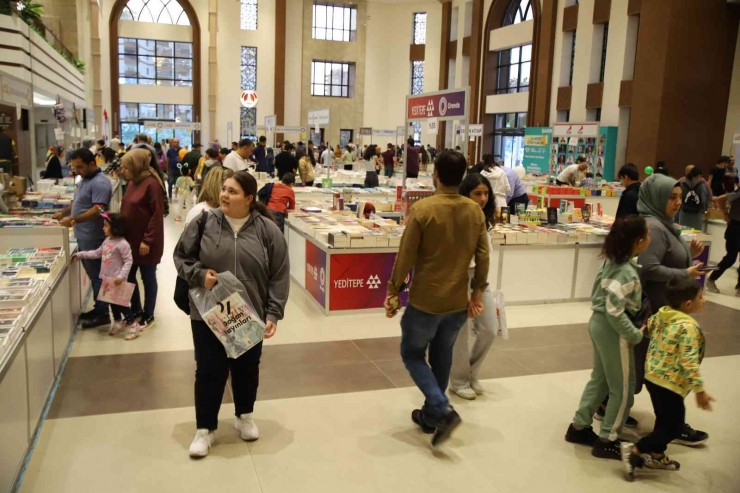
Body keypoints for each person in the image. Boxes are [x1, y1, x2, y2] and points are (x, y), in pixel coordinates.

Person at [174, 171, 290, 458]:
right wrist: (200, 275)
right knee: (209, 369)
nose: (224, 195)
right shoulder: (203, 222)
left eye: (233, 192)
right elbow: (182, 257)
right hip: (209, 313)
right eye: (224, 189)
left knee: (246, 368)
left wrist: (273, 312)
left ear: (249, 199)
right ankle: (205, 430)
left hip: (247, 314)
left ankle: (244, 416)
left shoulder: (267, 229)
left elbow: (279, 274)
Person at [385, 151, 489, 446]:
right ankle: (431, 417)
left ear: (436, 175)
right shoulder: (474, 211)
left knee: (412, 354)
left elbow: (405, 258)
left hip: (425, 301)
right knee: (442, 355)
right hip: (457, 301)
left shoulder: (423, 210)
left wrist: (394, 291)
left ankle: (442, 408)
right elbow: (483, 258)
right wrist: (477, 293)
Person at [564, 216, 650, 460]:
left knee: (600, 380)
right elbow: (615, 311)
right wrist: (633, 334)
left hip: (599, 325)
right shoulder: (625, 272)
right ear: (640, 241)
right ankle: (608, 439)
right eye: (648, 235)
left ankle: (579, 427)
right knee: (623, 388)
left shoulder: (613, 262)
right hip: (614, 332)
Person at [636, 173, 708, 447]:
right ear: (657, 198)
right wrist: (684, 270)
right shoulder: (654, 226)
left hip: (667, 310)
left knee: (657, 370)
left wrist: (689, 252)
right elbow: (648, 267)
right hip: (658, 310)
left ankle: (670, 423)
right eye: (672, 197)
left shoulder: (665, 225)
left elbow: (664, 257)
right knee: (664, 372)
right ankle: (670, 425)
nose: (677, 202)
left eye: (679, 197)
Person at [623, 277, 713, 477]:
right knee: (673, 427)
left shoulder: (662, 314)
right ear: (688, 304)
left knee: (663, 420)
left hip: (653, 377)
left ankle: (656, 454)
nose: (704, 300)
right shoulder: (688, 327)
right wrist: (700, 390)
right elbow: (688, 362)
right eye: (701, 297)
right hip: (669, 384)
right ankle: (637, 450)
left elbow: (649, 327)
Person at [450, 173, 501, 400]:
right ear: (465, 194)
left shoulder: (485, 218)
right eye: (477, 193)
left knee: (490, 328)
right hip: (459, 279)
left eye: (486, 193)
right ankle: (459, 381)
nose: (482, 198)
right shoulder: (457, 217)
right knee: (459, 334)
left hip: (481, 280)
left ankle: (471, 372)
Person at [52, 148, 113, 329]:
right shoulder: (85, 180)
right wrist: (63, 212)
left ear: (92, 164)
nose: (77, 170)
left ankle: (103, 313)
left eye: (80, 167)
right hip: (84, 234)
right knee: (94, 275)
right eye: (74, 167)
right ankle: (98, 307)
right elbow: (78, 201)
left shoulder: (100, 183)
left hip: (94, 236)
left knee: (98, 276)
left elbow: (99, 209)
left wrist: (73, 219)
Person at [119, 149, 166, 338]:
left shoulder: (152, 184)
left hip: (147, 242)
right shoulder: (132, 182)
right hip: (130, 240)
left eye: (126, 167)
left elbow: (157, 215)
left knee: (147, 276)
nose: (123, 171)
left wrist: (147, 239)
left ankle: (149, 314)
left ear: (136, 166)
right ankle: (136, 309)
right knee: (129, 276)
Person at [73, 212, 136, 337]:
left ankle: (132, 324)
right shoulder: (107, 241)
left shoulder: (123, 244)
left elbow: (129, 261)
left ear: (115, 228)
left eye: (106, 226)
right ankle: (117, 321)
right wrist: (81, 254)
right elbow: (97, 253)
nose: (103, 228)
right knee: (112, 304)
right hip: (107, 279)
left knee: (122, 305)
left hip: (117, 280)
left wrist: (121, 276)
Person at [706, 182, 740, 295]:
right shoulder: (738, 193)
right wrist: (725, 214)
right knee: (731, 258)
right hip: (735, 227)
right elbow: (720, 199)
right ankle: (711, 279)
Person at [678, 165, 709, 230]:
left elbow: (679, 197)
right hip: (696, 214)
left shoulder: (683, 184)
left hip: (684, 213)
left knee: (683, 231)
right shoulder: (701, 185)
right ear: (699, 175)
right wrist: (705, 210)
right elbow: (704, 199)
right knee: (695, 233)